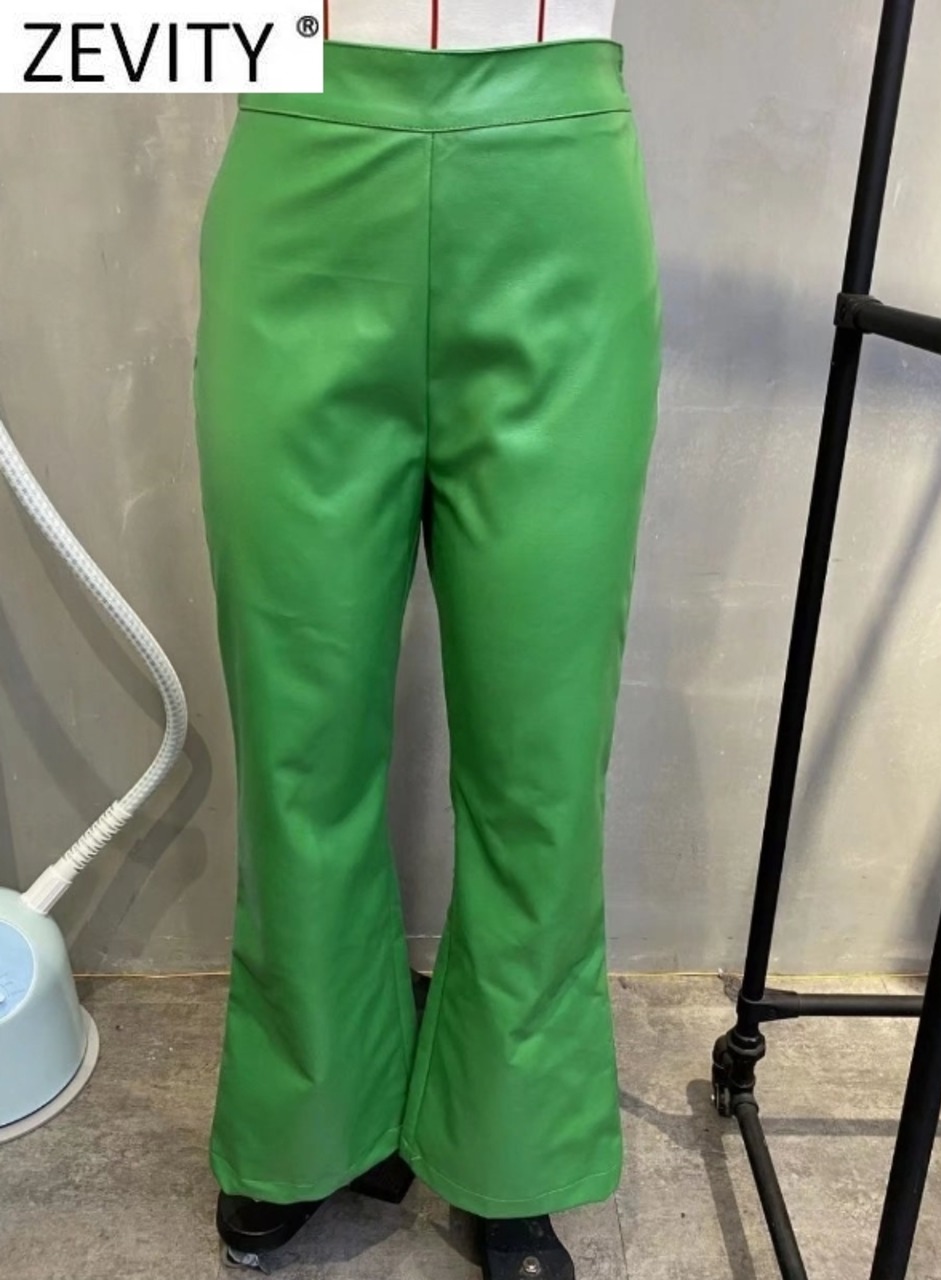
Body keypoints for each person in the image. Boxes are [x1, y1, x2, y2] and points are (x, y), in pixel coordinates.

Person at [193, 3, 660, 1277]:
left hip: (555, 187)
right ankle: (309, 1112)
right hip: (302, 159)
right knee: (296, 724)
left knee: (540, 743)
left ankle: (514, 1140)